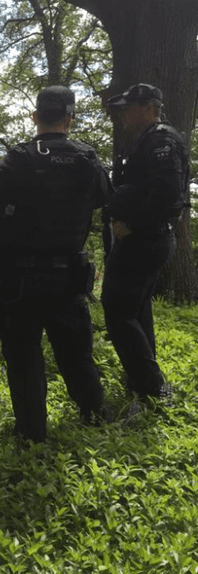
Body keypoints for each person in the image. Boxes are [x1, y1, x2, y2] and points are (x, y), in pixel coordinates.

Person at [0, 86, 110, 443]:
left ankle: (31, 435)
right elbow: (107, 201)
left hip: (18, 279)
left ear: (35, 118)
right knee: (76, 353)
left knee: (23, 356)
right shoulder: (87, 157)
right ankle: (96, 417)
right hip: (68, 276)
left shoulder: (20, 158)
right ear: (69, 118)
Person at [102, 83, 189, 406]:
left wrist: (133, 225)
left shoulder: (161, 140)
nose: (123, 113)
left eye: (130, 106)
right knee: (136, 311)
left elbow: (168, 195)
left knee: (117, 309)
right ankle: (142, 382)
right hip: (146, 238)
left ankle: (155, 389)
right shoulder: (149, 140)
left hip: (144, 239)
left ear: (151, 106)